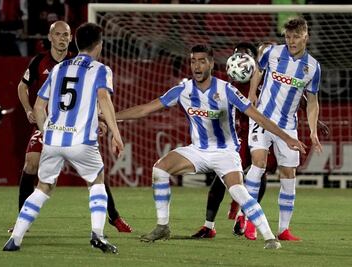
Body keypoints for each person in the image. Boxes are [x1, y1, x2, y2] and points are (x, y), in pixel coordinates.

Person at [116, 44, 307, 249]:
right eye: (193, 61)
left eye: (202, 61)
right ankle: (163, 226)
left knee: (238, 192)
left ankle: (270, 238)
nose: (197, 66)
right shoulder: (183, 90)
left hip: (225, 152)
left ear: (211, 63)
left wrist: (286, 138)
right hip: (197, 150)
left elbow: (258, 117)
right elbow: (145, 109)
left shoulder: (226, 90)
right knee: (159, 169)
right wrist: (110, 118)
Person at [3, 22, 124, 253]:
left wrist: (46, 133)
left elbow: (39, 106)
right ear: (99, 45)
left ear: (75, 42)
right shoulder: (100, 69)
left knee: (43, 187)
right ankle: (98, 235)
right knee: (97, 182)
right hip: (81, 141)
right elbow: (104, 99)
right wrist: (115, 134)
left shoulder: (59, 69)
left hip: (53, 140)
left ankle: (15, 239)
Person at [192, 42, 330, 241]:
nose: (241, 59)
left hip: (265, 126)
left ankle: (244, 217)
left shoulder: (264, 76)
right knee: (223, 175)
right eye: (237, 54)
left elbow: (295, 95)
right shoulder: (228, 81)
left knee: (261, 170)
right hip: (238, 134)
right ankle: (210, 225)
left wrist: (317, 121)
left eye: (246, 54)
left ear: (253, 59)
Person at [246, 16, 322, 241]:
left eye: (296, 37)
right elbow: (258, 72)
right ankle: (250, 222)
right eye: (288, 37)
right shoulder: (272, 52)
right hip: (262, 117)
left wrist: (313, 131)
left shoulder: (313, 68)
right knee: (258, 163)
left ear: (305, 36)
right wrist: (252, 93)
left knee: (288, 174)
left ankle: (283, 229)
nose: (291, 41)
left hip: (288, 125)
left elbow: (312, 102)